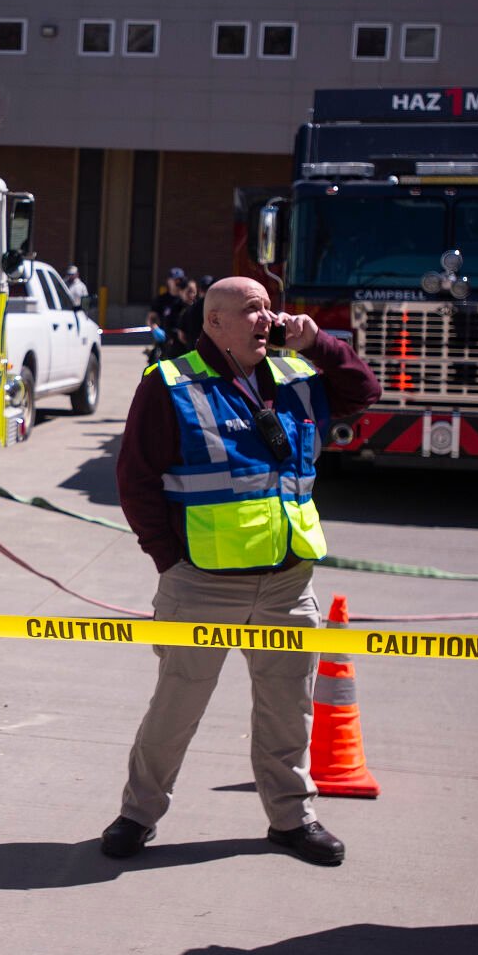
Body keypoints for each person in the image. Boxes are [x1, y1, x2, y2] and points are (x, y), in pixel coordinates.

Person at [102, 277, 380, 866]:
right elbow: (136, 480)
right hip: (202, 581)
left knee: (288, 706)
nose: (267, 318)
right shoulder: (170, 384)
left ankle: (291, 819)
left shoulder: (296, 375)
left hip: (286, 582)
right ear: (216, 322)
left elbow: (363, 390)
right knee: (176, 706)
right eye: (252, 310)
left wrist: (320, 343)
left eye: (269, 309)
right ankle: (137, 814)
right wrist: (168, 560)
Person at [145, 268, 188, 365]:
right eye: (175, 280)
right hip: (164, 344)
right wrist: (155, 328)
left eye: (180, 280)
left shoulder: (185, 300)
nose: (177, 283)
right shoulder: (161, 300)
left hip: (183, 344)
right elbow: (151, 318)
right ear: (169, 281)